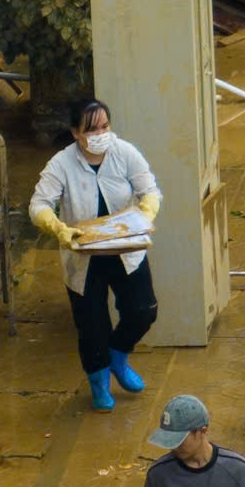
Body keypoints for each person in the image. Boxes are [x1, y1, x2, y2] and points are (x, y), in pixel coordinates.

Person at [29, 98, 162, 411]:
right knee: (92, 325)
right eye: (92, 129)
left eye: (105, 126)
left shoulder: (124, 153)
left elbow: (149, 189)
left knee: (143, 310)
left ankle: (119, 356)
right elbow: (38, 205)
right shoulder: (61, 164)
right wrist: (59, 228)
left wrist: (147, 210)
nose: (101, 133)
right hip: (84, 255)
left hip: (125, 249)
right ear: (76, 133)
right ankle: (99, 383)